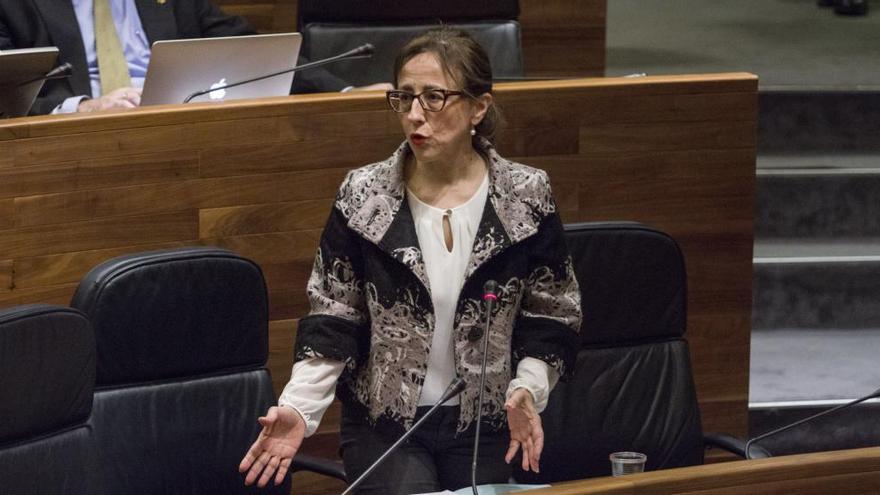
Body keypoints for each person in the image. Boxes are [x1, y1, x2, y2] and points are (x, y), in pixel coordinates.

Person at [239, 28, 582, 494]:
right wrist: (300, 408)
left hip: (486, 423)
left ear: (479, 107)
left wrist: (528, 388)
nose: (415, 115)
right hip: (387, 425)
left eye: (435, 98)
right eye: (404, 98)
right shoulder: (364, 195)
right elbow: (334, 314)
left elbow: (553, 310)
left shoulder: (526, 196)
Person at [0, 0, 383, 116]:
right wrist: (81, 107)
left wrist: (347, 91)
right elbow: (8, 88)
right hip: (78, 139)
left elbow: (251, 50)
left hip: (177, 122)